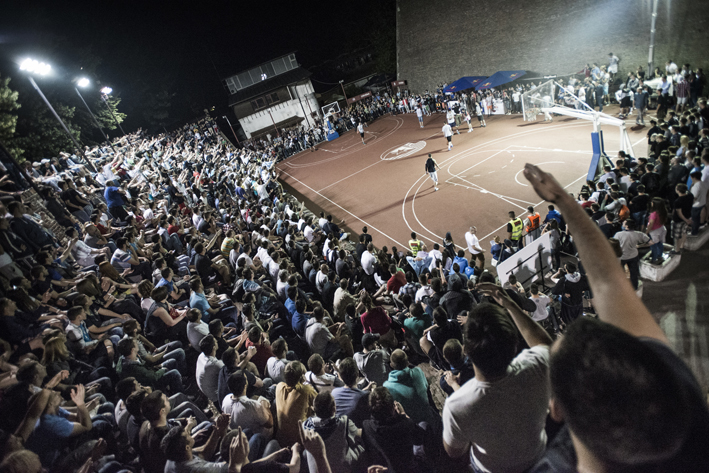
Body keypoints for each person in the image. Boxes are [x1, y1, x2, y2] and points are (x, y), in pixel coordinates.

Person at [523, 163, 709, 472]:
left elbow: (607, 282)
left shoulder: (677, 385)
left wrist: (563, 201)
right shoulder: (679, 402)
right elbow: (608, 281)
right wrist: (565, 202)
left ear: (557, 409)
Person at [443, 284, 553, 473]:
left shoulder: (457, 405)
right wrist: (509, 304)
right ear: (514, 343)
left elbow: (454, 451)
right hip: (539, 458)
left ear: (465, 350)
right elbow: (543, 343)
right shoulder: (536, 366)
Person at [613, 219, 650, 290]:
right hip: (633, 256)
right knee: (634, 273)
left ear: (627, 226)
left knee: (620, 273)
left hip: (622, 257)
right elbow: (650, 242)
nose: (622, 225)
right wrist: (640, 246)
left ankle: (621, 288)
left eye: (623, 224)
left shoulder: (618, 234)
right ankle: (634, 288)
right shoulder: (638, 234)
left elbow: (614, 244)